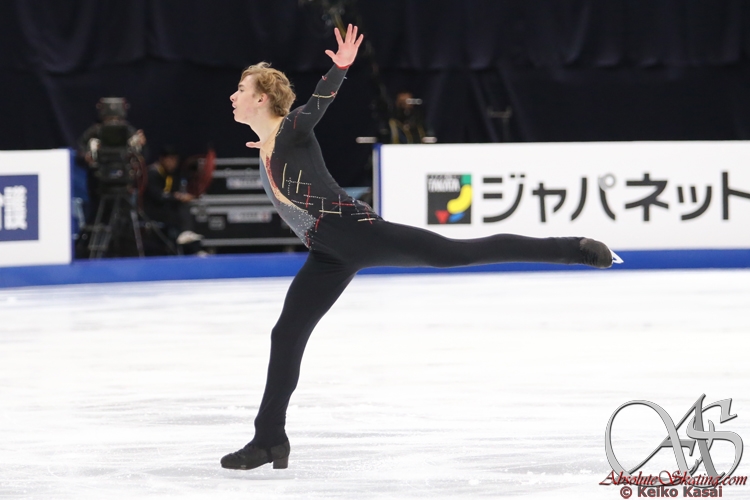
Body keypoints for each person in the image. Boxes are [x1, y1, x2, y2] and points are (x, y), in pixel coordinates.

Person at [221, 24, 620, 471]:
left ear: (262, 98)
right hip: (327, 254)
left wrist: (340, 68)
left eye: (241, 89)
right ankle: (270, 439)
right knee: (286, 334)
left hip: (358, 232)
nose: (233, 96)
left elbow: (318, 104)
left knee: (459, 253)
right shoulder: (266, 146)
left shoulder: (292, 128)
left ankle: (573, 248)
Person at [142, 146, 203, 253]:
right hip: (153, 209)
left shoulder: (172, 174)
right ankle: (188, 239)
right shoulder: (152, 173)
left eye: (175, 160)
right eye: (170, 160)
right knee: (180, 208)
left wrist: (181, 197)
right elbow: (158, 196)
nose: (173, 163)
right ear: (162, 159)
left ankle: (190, 240)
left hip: (168, 208)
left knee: (185, 207)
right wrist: (177, 197)